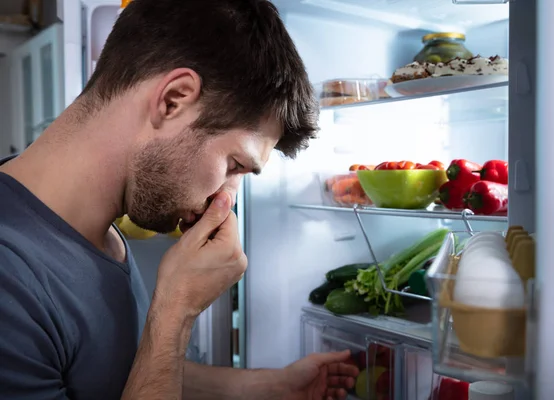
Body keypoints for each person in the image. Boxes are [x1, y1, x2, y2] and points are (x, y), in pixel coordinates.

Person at [0, 0, 359, 399]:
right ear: (173, 100)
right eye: (235, 164)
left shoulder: (102, 229)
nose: (226, 198)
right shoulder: (10, 278)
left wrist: (271, 387)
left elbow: (118, 371)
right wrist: (176, 311)